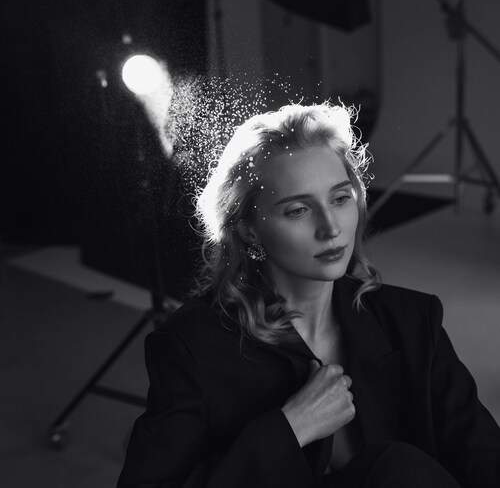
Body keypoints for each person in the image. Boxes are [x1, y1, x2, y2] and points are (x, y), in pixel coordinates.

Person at [117, 102, 500, 488]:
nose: (330, 228)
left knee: (398, 467)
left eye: (340, 198)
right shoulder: (192, 346)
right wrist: (290, 428)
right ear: (249, 229)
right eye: (298, 210)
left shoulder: (412, 320)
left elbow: (480, 453)